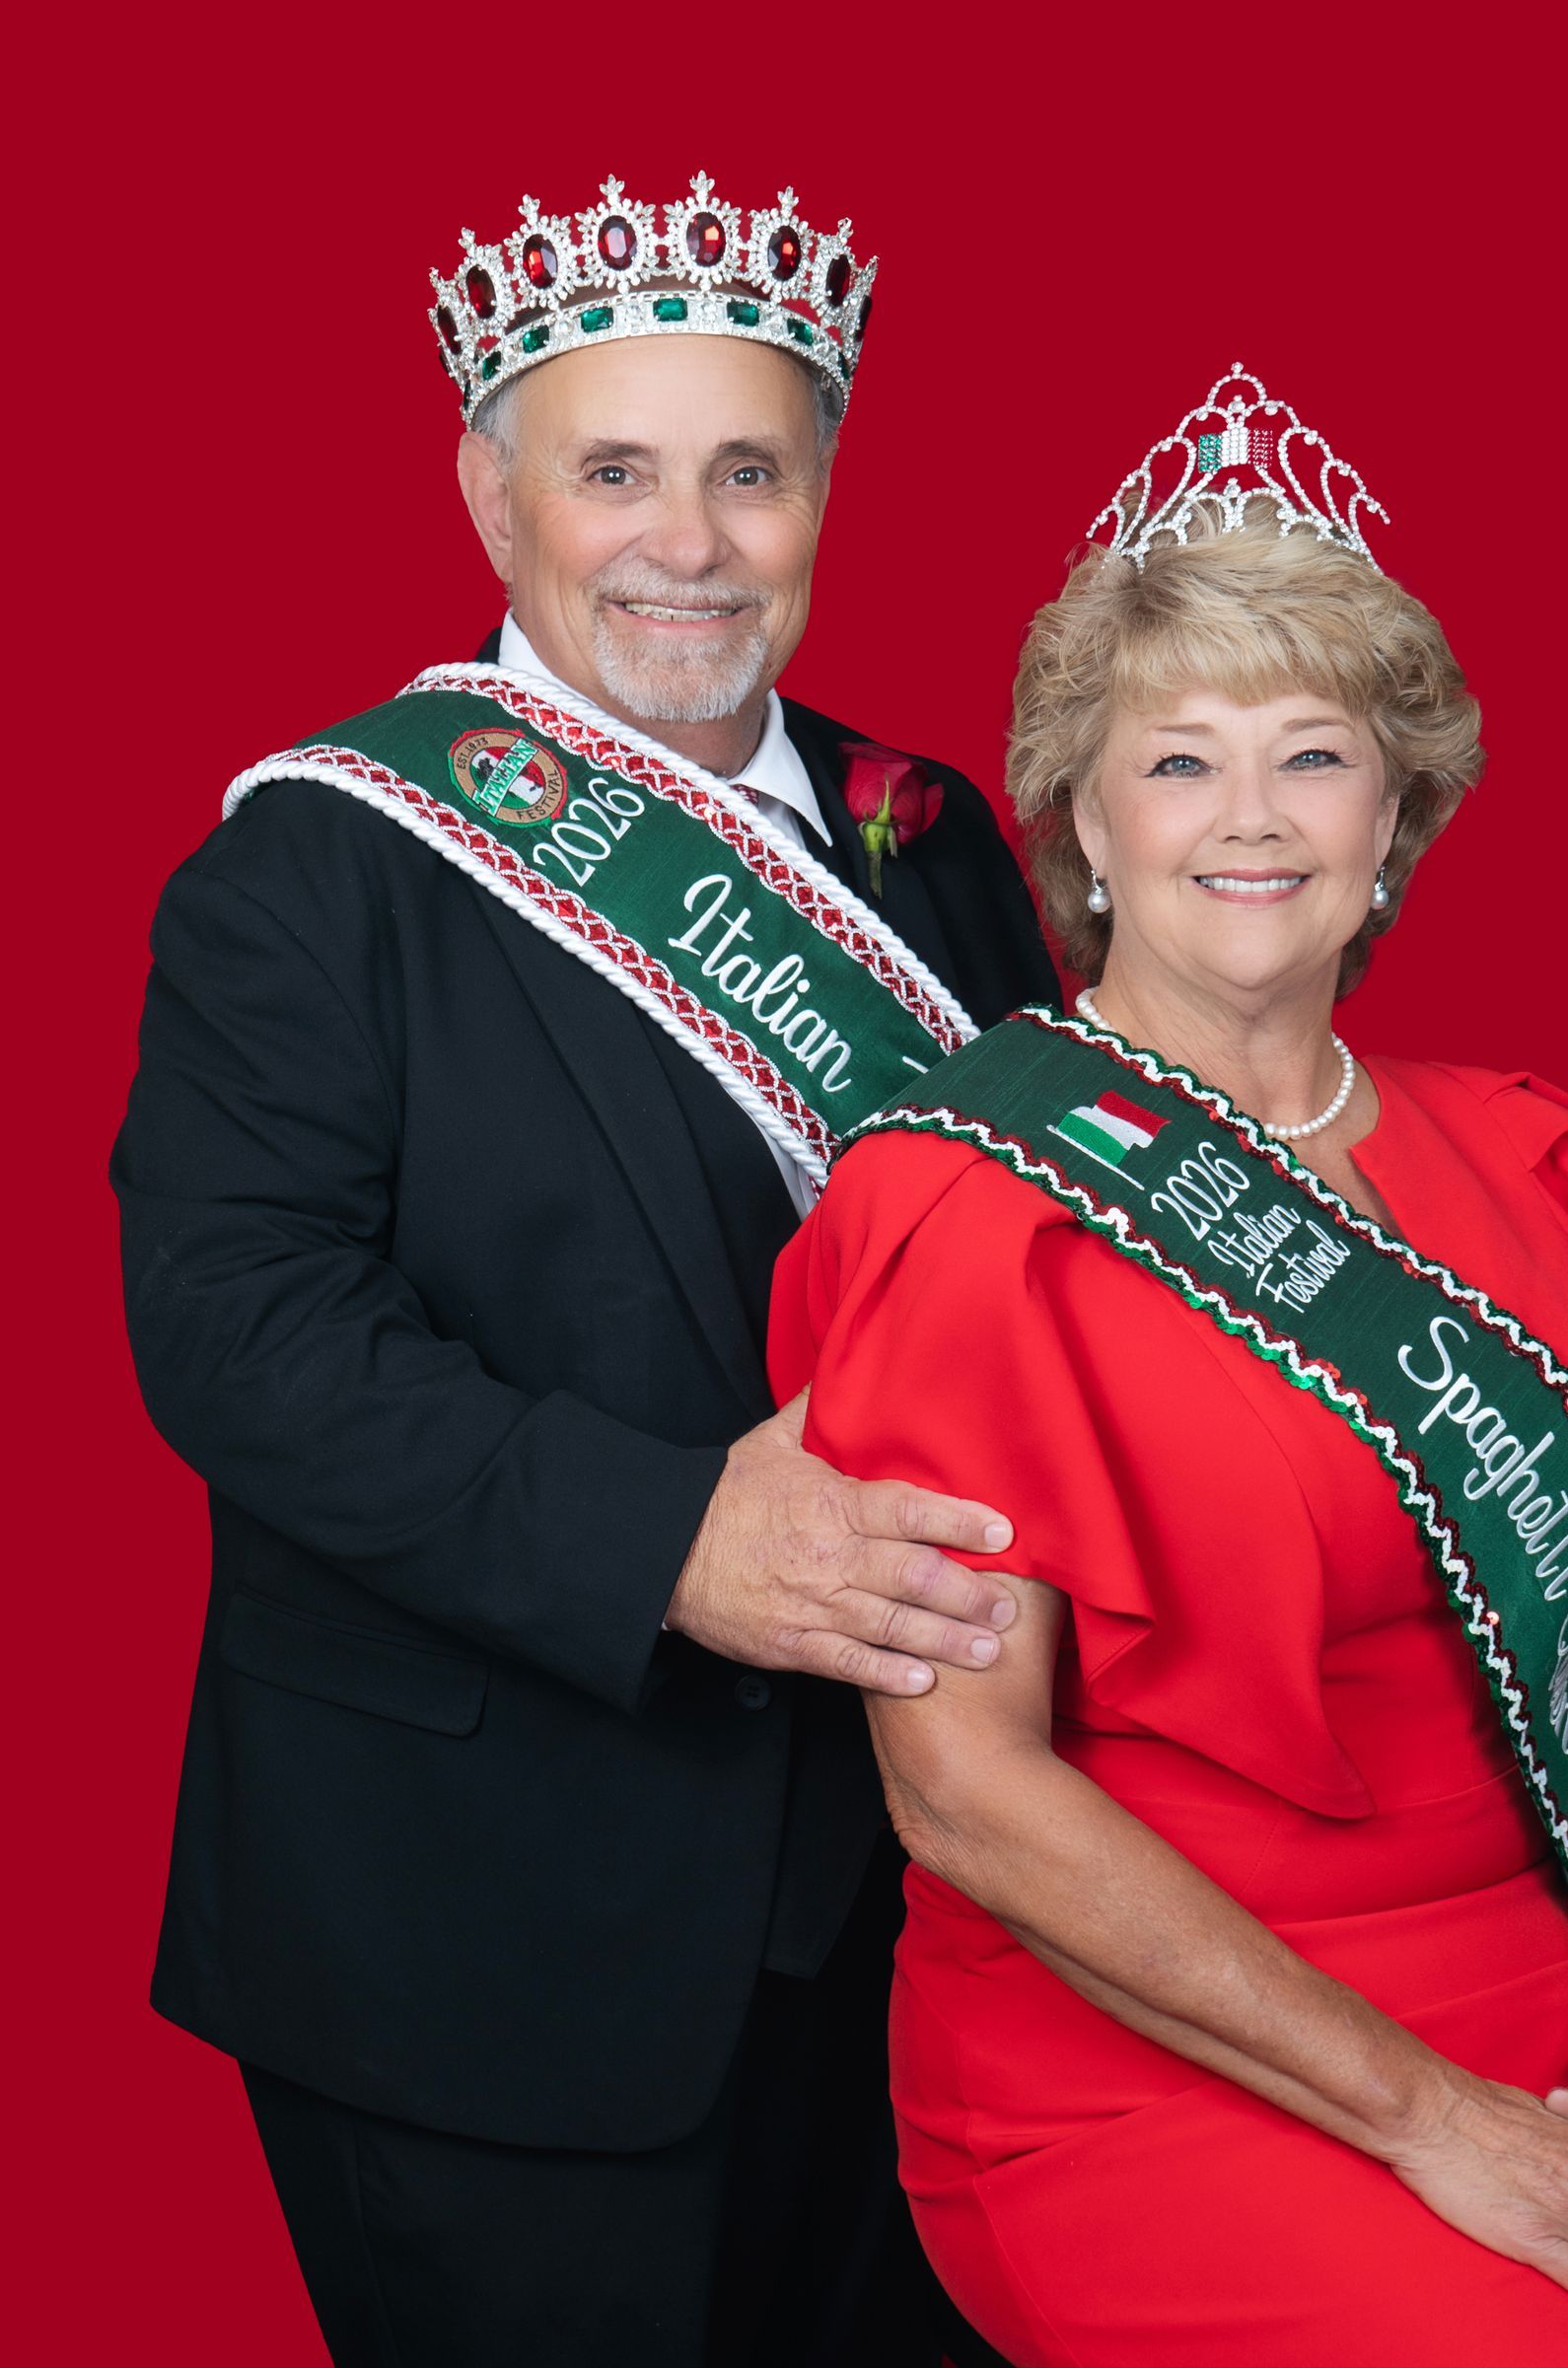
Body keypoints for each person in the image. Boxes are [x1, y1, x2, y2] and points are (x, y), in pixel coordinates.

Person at [769, 368, 1568, 2363]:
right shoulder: (976, 1209)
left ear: (1397, 812)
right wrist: (1431, 2123)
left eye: (1313, 754)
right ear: (1087, 820)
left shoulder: (1533, 1153)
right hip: (1139, 2052)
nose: (1254, 819)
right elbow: (961, 1795)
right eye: (1180, 760)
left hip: (1537, 1992)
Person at [110, 172, 1054, 2367]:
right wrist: (675, 1538)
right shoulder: (318, 867)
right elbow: (238, 1334)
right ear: (489, 489)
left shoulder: (934, 844)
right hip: (478, 1926)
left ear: (820, 489)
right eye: (614, 470)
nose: (687, 543)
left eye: (749, 471)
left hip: (926, 1897)